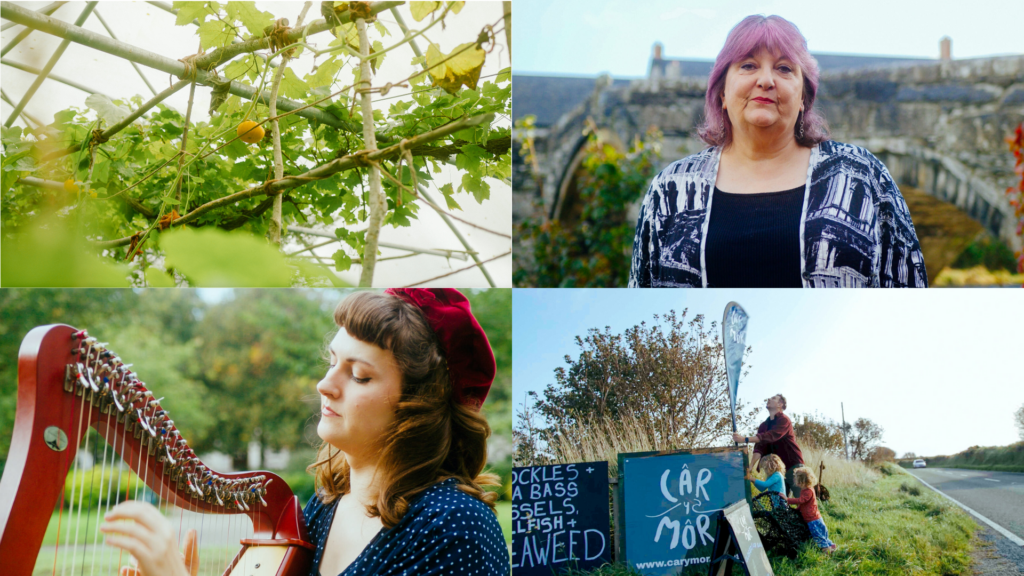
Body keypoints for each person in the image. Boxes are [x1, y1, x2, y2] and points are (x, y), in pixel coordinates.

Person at [99, 289, 510, 576]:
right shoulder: (320, 509)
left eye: (360, 375)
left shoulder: (456, 526)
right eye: (332, 362)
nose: (324, 385)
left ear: (418, 405)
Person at [629, 14, 927, 288]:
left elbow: (909, 296)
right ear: (721, 92)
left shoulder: (861, 176)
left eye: (784, 68)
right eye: (748, 65)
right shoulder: (671, 189)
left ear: (803, 97)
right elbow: (640, 305)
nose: (766, 80)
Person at [733, 394, 805, 497]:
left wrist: (744, 439)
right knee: (780, 506)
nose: (769, 399)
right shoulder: (764, 425)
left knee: (803, 502)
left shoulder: (784, 420)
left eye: (773, 398)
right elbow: (759, 448)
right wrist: (750, 467)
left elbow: (770, 436)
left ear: (780, 404)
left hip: (794, 466)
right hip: (778, 470)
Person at [788, 468, 836, 552]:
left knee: (818, 535)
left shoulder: (808, 491)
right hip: (814, 517)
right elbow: (804, 504)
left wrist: (787, 500)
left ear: (802, 481)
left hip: (812, 519)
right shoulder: (806, 489)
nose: (795, 480)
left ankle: (826, 550)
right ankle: (831, 546)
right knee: (821, 533)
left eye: (796, 479)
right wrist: (797, 509)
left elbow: (801, 500)